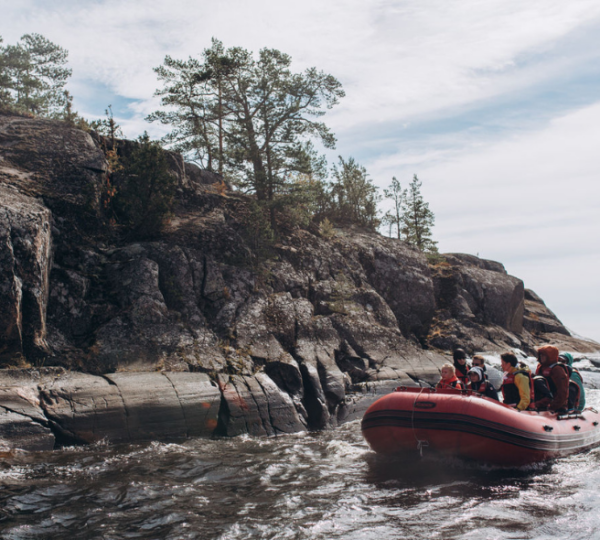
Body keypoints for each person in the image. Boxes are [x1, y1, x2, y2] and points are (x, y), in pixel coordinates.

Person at [535, 345, 570, 414]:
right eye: (540, 355)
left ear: (550, 356)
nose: (541, 357)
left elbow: (562, 391)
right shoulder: (541, 368)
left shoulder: (557, 369)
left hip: (554, 406)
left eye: (544, 355)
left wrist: (553, 406)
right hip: (542, 403)